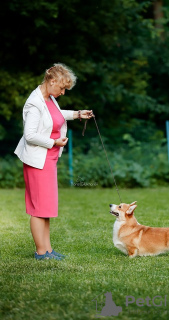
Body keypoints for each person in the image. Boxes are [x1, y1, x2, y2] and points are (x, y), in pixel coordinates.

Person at [14, 63, 93, 260]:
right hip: (37, 161)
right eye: (62, 88)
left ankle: (48, 249)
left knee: (46, 207)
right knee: (38, 208)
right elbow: (30, 135)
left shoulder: (48, 98)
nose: (63, 93)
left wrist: (77, 114)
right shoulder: (34, 103)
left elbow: (55, 117)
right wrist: (54, 142)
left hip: (49, 160)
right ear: (52, 81)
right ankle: (41, 252)